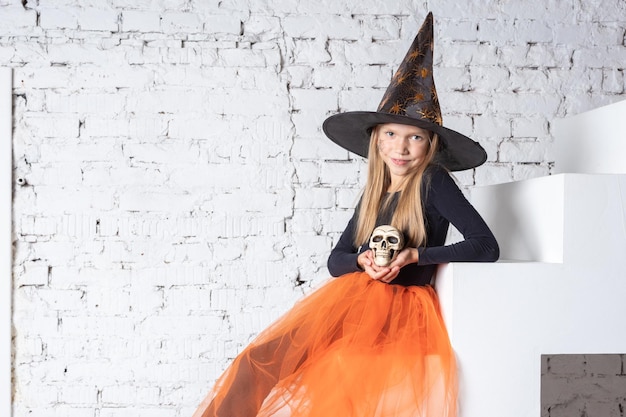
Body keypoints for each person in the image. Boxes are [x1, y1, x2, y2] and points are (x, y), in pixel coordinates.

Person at [192, 12, 498, 417]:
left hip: (399, 314)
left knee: (334, 389)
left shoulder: (433, 182)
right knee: (256, 361)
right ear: (375, 140)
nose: (400, 147)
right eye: (390, 134)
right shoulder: (376, 191)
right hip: (353, 302)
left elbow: (486, 246)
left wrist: (413, 256)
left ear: (429, 146)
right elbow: (337, 262)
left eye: (414, 138)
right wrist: (362, 260)